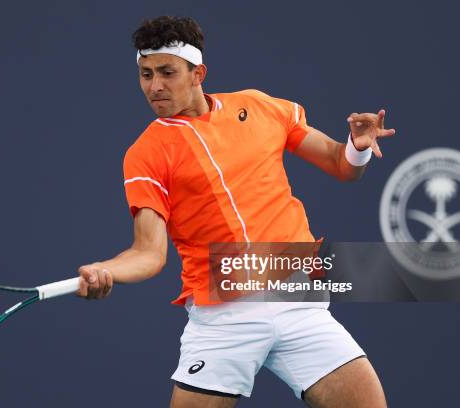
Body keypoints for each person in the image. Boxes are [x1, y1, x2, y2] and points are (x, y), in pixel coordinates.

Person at [77, 16, 394, 408]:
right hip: (225, 317)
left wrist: (357, 146)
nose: (154, 86)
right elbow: (148, 253)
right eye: (145, 74)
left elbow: (341, 165)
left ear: (198, 74)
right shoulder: (146, 154)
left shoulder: (258, 107)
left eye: (167, 72)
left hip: (296, 298)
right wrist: (108, 270)